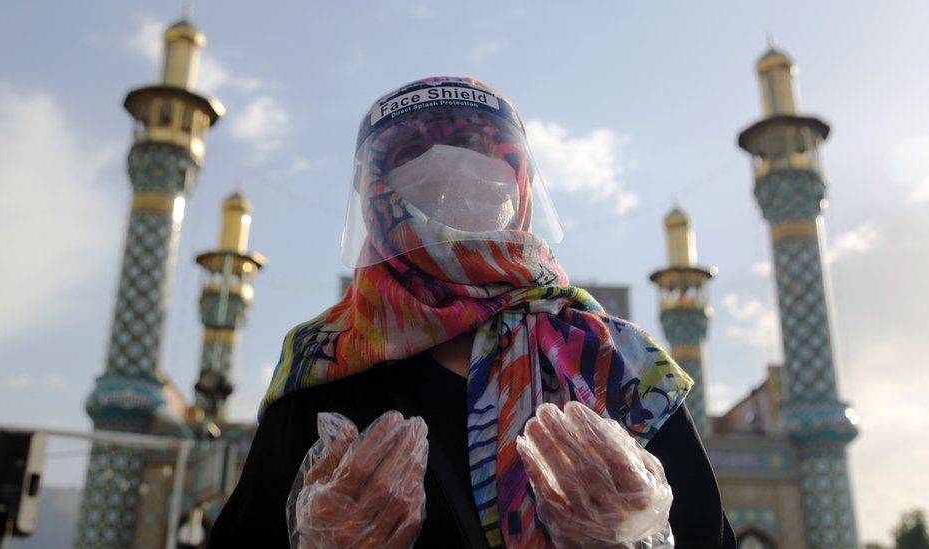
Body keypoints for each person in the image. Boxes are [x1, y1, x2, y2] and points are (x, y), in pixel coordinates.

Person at [209, 76, 736, 548]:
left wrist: (637, 540)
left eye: (468, 143)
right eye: (412, 150)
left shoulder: (614, 365)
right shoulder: (323, 372)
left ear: (517, 177)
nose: (443, 165)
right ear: (373, 190)